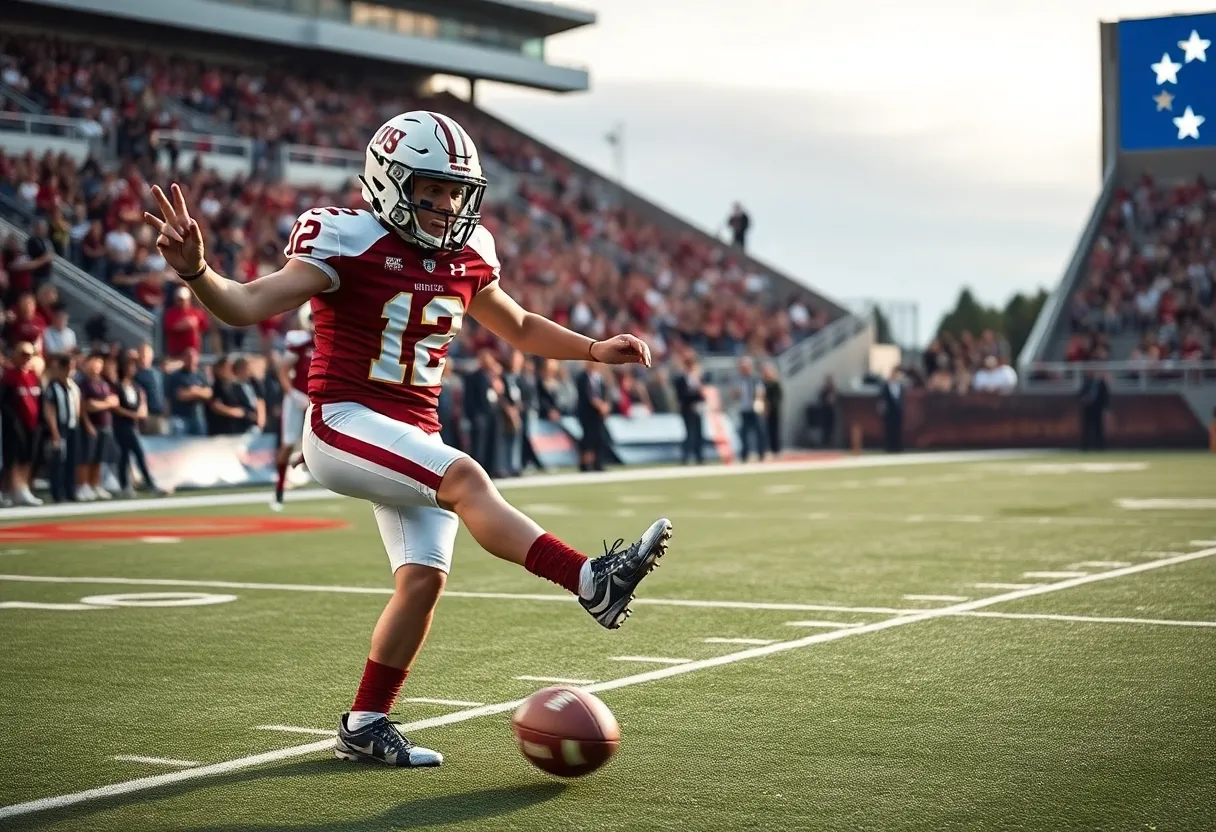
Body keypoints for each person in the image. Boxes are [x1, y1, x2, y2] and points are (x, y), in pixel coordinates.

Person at [142, 110, 673, 769]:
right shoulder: (347, 238)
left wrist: (595, 349)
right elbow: (247, 304)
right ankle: (590, 579)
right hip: (342, 421)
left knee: (422, 579)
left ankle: (365, 724)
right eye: (431, 190)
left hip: (412, 431)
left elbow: (523, 327)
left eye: (455, 192)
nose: (447, 205)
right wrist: (198, 274)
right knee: (467, 480)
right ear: (391, 182)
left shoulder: (470, 254)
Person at [271, 306, 315, 511]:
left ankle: (305, 462)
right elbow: (283, 370)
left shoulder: (330, 342)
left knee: (324, 438)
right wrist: (292, 394)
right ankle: (279, 491)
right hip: (297, 396)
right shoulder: (300, 342)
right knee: (288, 443)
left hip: (317, 399)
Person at [113, 353, 164, 498]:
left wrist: (141, 411)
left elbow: (142, 402)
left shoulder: (135, 387)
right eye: (130, 366)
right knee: (135, 454)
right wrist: (133, 415)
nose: (133, 369)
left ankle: (126, 485)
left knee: (126, 455)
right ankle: (149, 484)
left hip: (132, 425)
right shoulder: (118, 386)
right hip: (122, 425)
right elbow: (116, 407)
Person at [1, 342, 44, 505]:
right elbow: (5, 403)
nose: (27, 359)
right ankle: (11, 489)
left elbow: (39, 400)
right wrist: (13, 421)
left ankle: (23, 487)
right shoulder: (9, 377)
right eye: (23, 355)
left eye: (30, 355)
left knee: (27, 457)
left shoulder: (33, 377)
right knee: (13, 458)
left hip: (32, 424)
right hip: (14, 424)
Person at [42, 353, 81, 503]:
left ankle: (70, 490)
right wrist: (54, 432)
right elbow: (49, 410)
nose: (71, 371)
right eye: (69, 368)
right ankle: (57, 493)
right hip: (59, 427)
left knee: (72, 460)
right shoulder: (53, 387)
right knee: (58, 461)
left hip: (72, 427)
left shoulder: (73, 386)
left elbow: (77, 407)